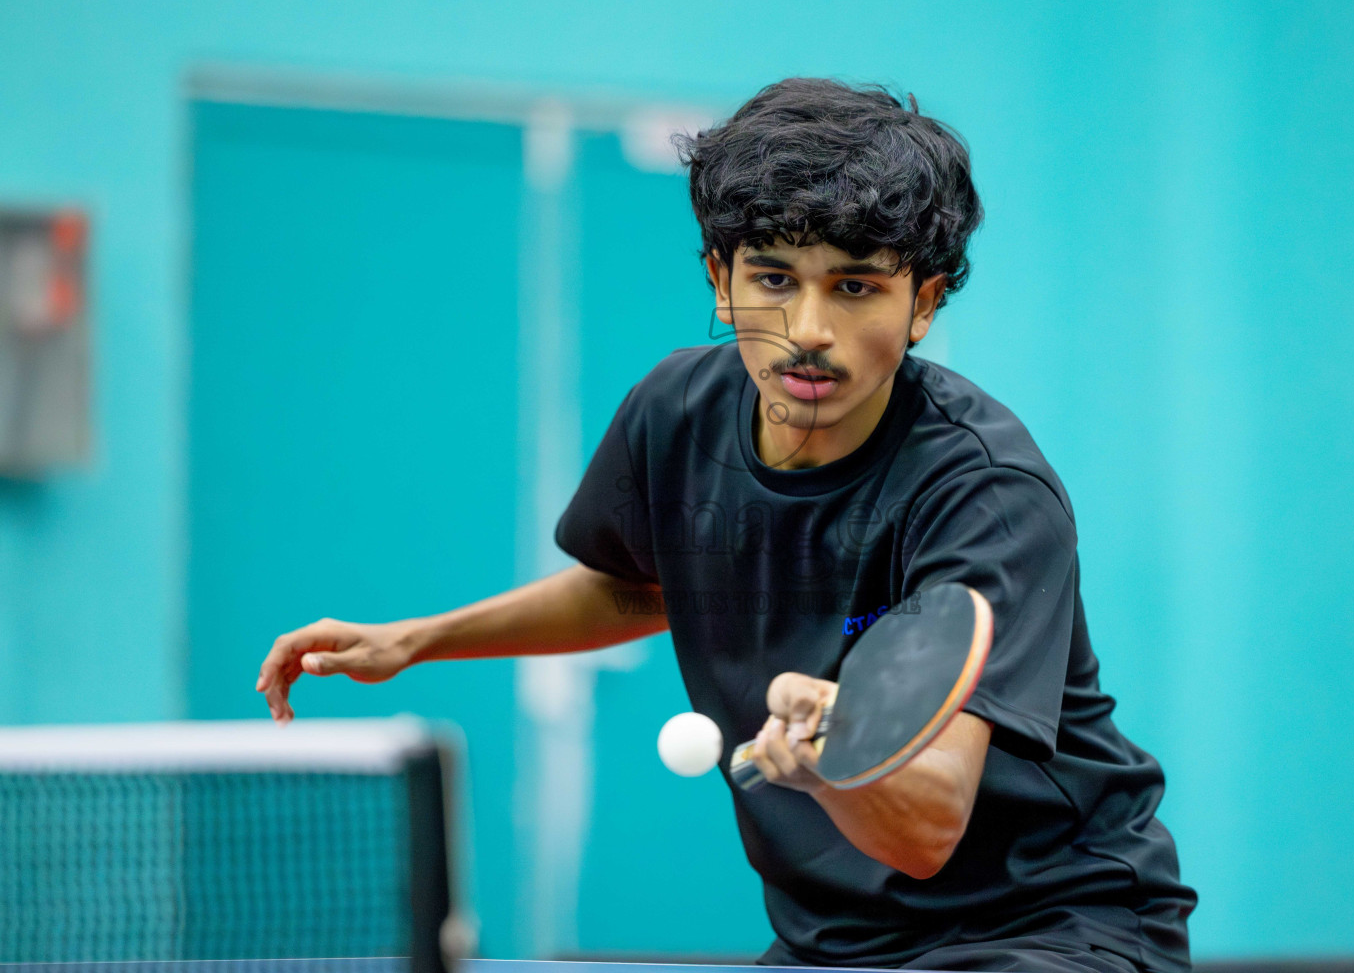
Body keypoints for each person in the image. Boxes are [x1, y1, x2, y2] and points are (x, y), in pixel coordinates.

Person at [255, 77, 1198, 973]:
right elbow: (640, 585)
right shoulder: (677, 413)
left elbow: (926, 828)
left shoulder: (981, 495)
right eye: (774, 278)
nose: (807, 329)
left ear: (925, 302)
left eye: (857, 286)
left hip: (1046, 927)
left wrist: (833, 771)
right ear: (720, 277)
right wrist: (415, 641)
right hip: (835, 937)